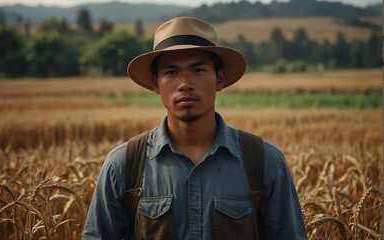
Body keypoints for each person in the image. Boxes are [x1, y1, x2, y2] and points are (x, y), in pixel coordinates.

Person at [82, 16, 307, 240]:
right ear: (154, 83)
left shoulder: (265, 161)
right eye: (171, 72)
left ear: (219, 79)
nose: (184, 84)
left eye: (198, 71)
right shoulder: (123, 164)